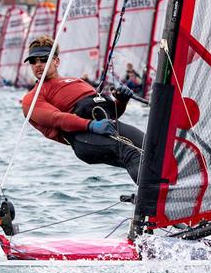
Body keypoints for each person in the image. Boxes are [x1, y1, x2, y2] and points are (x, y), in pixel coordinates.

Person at [20, 36, 144, 183]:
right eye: (33, 61)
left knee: (152, 146)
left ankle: (171, 189)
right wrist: (91, 125)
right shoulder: (32, 98)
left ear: (56, 61)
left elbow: (110, 113)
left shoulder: (77, 81)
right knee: (130, 153)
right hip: (83, 139)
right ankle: (152, 200)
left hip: (107, 127)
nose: (38, 65)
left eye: (44, 59)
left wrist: (122, 101)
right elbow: (57, 118)